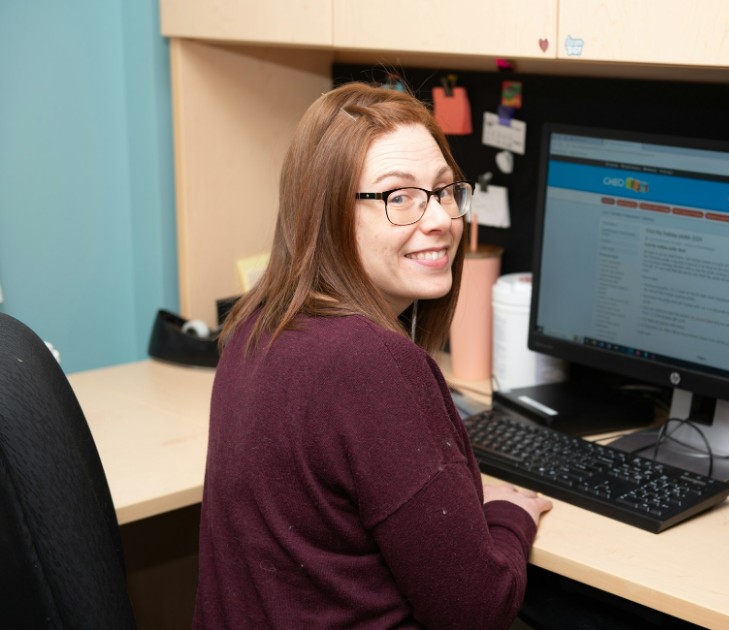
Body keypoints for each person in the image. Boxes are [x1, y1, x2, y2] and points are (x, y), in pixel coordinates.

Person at [192, 82, 552, 629]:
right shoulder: (370, 365)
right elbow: (475, 607)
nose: (439, 219)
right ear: (328, 215)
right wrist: (508, 516)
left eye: (444, 190)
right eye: (398, 197)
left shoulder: (257, 322)